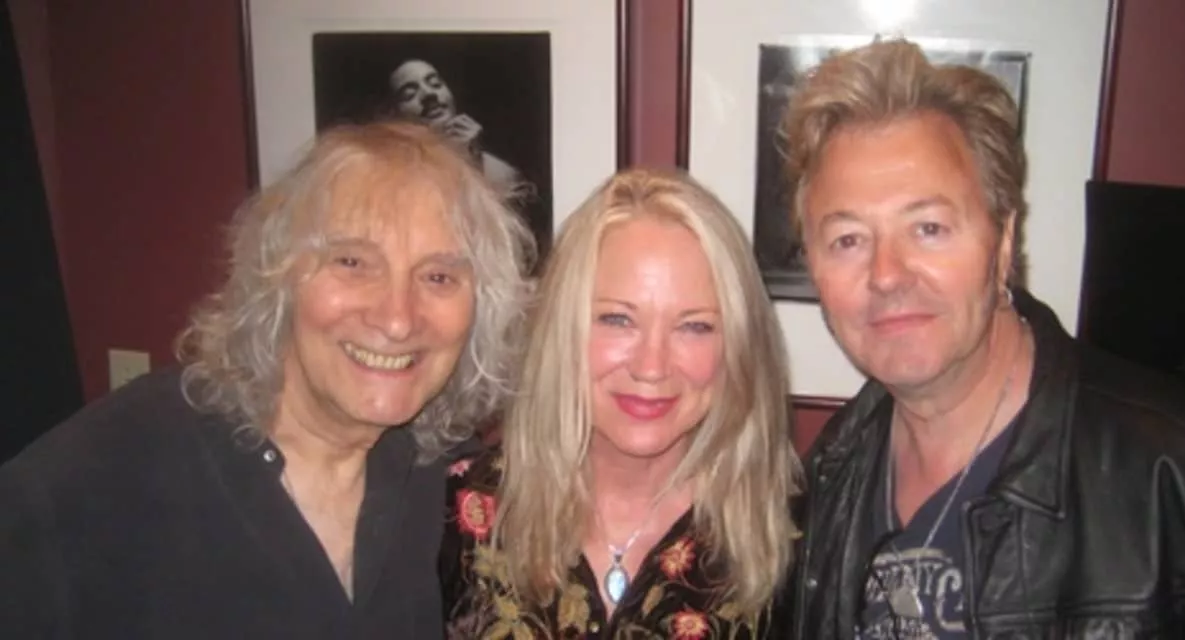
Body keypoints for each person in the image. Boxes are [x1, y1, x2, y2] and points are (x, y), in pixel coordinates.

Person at [780, 39, 1185, 638]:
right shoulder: (829, 474)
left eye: (929, 228)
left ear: (1003, 243)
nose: (886, 274)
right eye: (848, 240)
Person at [0, 121, 534, 638]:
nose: (397, 319)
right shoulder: (101, 477)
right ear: (276, 278)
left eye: (438, 277)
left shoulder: (460, 492)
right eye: (352, 262)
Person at [441, 168, 801, 638]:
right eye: (617, 319)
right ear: (562, 330)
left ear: (739, 347)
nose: (651, 367)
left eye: (694, 326)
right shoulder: (455, 515)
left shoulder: (797, 536)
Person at [388, 58, 530, 202]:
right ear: (393, 115)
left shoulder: (501, 175)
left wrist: (472, 163)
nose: (429, 94)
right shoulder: (391, 181)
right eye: (409, 94)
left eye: (435, 84)